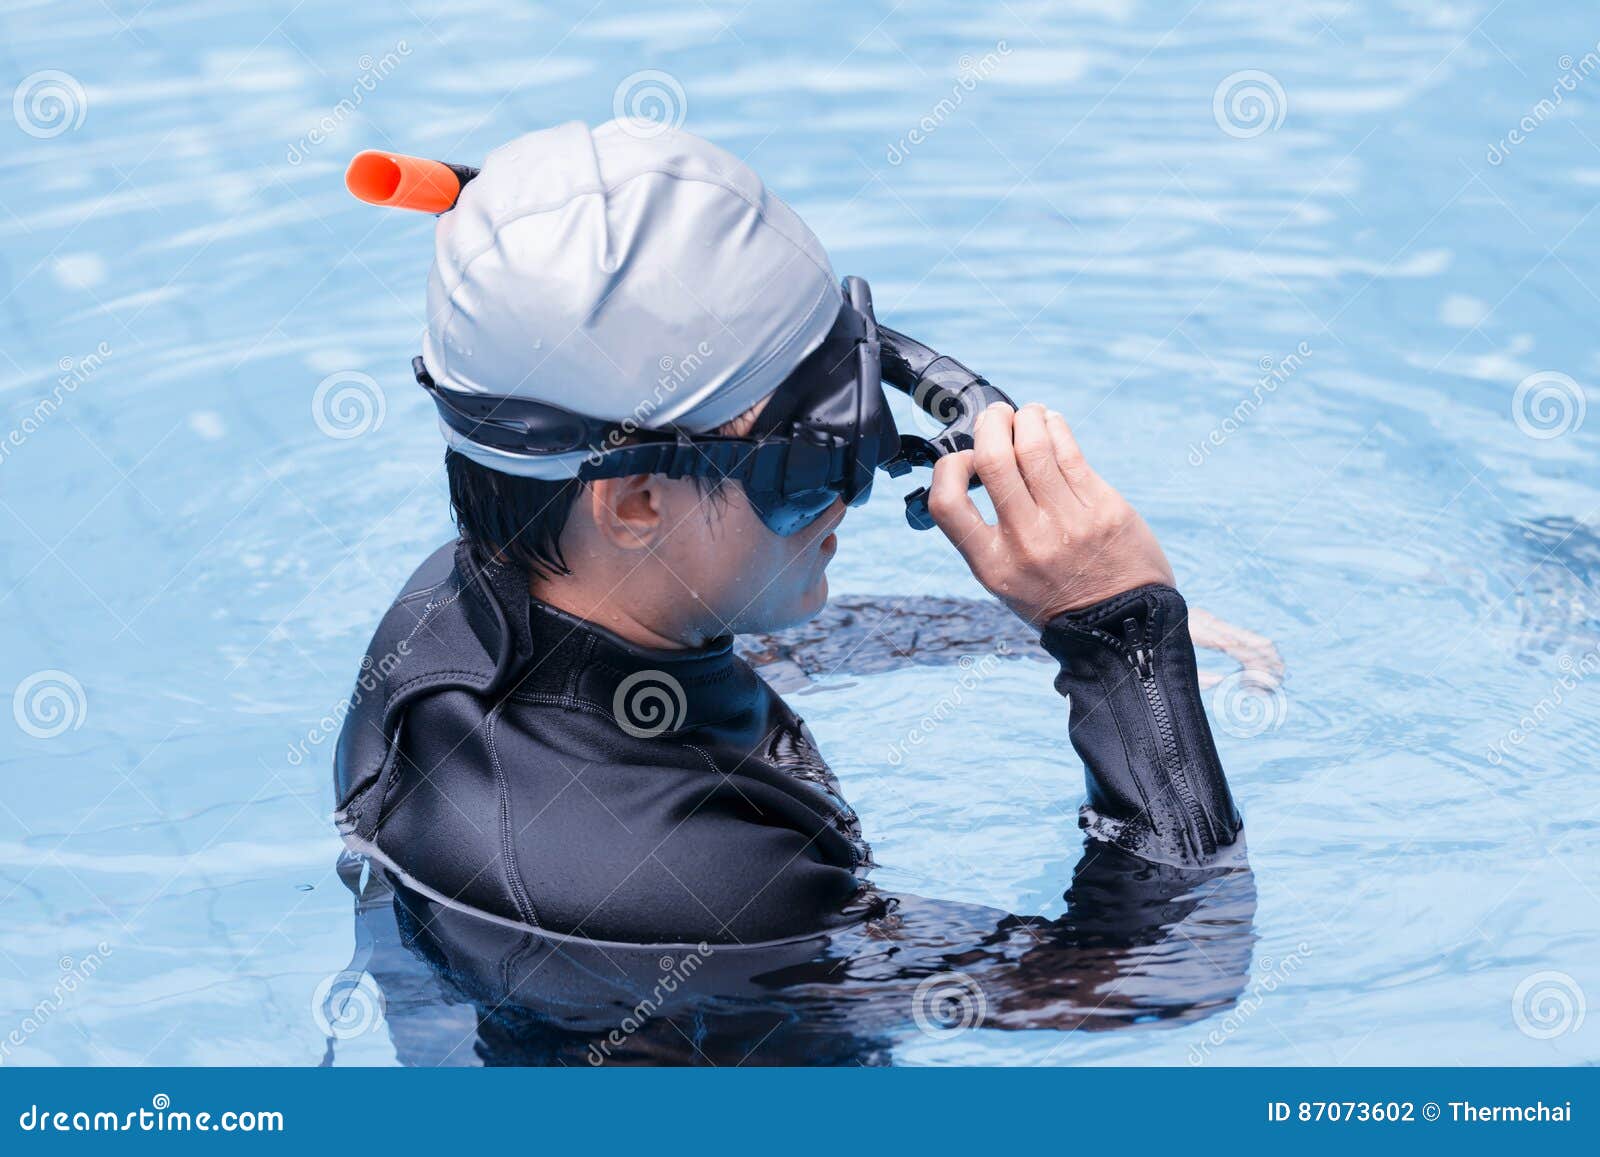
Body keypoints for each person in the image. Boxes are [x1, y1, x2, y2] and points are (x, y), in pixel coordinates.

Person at [329, 123, 1252, 1058]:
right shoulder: (709, 889)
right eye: (812, 459)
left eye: (858, 387)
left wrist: (1013, 627)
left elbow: (732, 639)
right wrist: (1124, 643)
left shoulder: (462, 605)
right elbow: (1175, 970)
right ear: (636, 500)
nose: (860, 479)